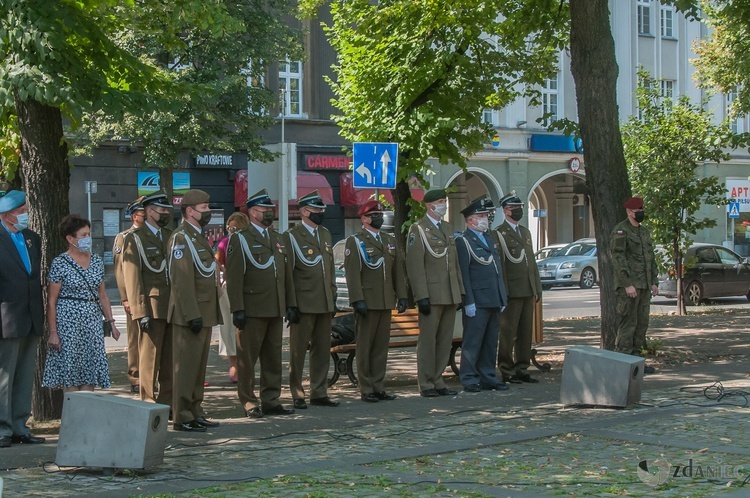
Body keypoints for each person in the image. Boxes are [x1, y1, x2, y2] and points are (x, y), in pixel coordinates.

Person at [226, 189, 295, 418]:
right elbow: (235, 277)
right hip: (252, 308)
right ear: (253, 212)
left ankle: (271, 399)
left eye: (270, 210)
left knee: (273, 357)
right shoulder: (241, 238)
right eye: (265, 210)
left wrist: (290, 303)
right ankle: (248, 401)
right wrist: (237, 308)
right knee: (247, 359)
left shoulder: (278, 238)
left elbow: (285, 275)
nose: (269, 213)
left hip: (274, 307)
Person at [43, 215, 121, 392]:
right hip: (68, 323)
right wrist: (53, 332)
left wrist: (111, 322)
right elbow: (51, 301)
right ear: (70, 239)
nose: (88, 238)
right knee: (70, 371)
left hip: (92, 322)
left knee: (89, 370)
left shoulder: (96, 261)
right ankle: (72, 415)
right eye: (83, 235)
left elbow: (103, 295)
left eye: (88, 234)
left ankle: (86, 414)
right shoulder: (60, 263)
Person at [167, 189, 221, 432]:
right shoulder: (181, 238)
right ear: (189, 211)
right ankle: (182, 416)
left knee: (198, 369)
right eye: (204, 208)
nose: (208, 213)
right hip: (190, 315)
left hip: (204, 312)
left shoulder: (197, 236)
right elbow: (181, 280)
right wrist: (192, 314)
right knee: (185, 368)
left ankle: (195, 410)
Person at [344, 201, 408, 402]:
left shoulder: (388, 240)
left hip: (385, 300)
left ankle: (379, 385)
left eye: (380, 214)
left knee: (381, 346)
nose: (379, 218)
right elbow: (352, 273)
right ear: (364, 219)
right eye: (374, 215)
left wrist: (402, 295)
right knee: (365, 346)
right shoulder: (355, 241)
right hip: (367, 301)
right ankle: (366, 387)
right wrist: (357, 299)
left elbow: (397, 271)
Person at [283, 190, 339, 409]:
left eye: (321, 209)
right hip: (303, 302)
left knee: (322, 349)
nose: (320, 213)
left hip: (324, 301)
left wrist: (332, 297)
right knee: (297, 351)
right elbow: (288, 273)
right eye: (316, 209)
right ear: (304, 211)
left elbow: (330, 268)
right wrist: (290, 303)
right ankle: (297, 391)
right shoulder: (291, 236)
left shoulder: (324, 234)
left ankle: (319, 390)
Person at [405, 189, 462, 398]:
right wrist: (421, 296)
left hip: (449, 292)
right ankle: (426, 382)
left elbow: (454, 264)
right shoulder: (418, 229)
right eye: (440, 201)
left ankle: (438, 379)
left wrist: (460, 291)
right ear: (429, 205)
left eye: (444, 201)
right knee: (428, 341)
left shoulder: (447, 228)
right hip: (431, 293)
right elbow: (415, 266)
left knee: (445, 340)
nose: (444, 204)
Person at [0, 191, 46, 448]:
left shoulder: (31, 238)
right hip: (7, 316)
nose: (26, 215)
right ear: (7, 214)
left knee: (25, 374)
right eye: (22, 211)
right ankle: (2, 428)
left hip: (31, 315)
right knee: (5, 376)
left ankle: (19, 426)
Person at [122, 192, 174, 406]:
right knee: (149, 360)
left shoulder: (170, 235)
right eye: (162, 210)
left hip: (172, 307)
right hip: (152, 308)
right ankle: (149, 403)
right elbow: (133, 277)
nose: (166, 214)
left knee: (170, 361)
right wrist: (140, 311)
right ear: (150, 211)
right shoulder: (135, 239)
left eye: (166, 210)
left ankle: (168, 403)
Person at [455, 198, 509, 392]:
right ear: (470, 220)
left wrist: (502, 296)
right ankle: (469, 378)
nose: (485, 219)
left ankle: (488, 376)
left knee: (490, 340)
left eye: (486, 216)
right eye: (481, 216)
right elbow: (464, 273)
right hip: (477, 300)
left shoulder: (489, 239)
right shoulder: (463, 241)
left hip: (493, 298)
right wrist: (468, 301)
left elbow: (497, 270)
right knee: (473, 341)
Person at [493, 192, 542, 384]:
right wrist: (503, 291)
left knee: (525, 332)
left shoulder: (525, 232)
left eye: (520, 207)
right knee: (508, 332)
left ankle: (522, 367)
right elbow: (501, 265)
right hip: (512, 291)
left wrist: (537, 287)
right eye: (514, 208)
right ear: (505, 211)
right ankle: (507, 369)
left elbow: (531, 262)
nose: (519, 211)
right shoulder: (499, 233)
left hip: (527, 289)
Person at [611, 196, 659, 373]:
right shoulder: (621, 231)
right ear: (629, 212)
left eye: (642, 211)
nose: (641, 214)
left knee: (641, 324)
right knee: (627, 324)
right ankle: (623, 363)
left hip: (644, 285)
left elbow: (650, 258)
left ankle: (637, 363)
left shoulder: (644, 232)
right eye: (638, 211)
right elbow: (618, 258)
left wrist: (653, 281)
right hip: (630, 287)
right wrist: (627, 284)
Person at [114, 197, 145, 394]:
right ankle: (135, 377)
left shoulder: (155, 235)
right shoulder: (124, 237)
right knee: (135, 337)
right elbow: (119, 269)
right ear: (135, 216)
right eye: (144, 213)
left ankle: (150, 376)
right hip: (133, 295)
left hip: (151, 295)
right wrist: (125, 296)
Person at [216, 212, 249, 383]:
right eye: (230, 228)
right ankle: (234, 364)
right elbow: (216, 261)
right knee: (229, 327)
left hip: (248, 288)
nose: (232, 231)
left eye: (236, 228)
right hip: (229, 290)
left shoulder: (249, 241)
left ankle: (244, 364)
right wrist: (223, 274)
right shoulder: (225, 243)